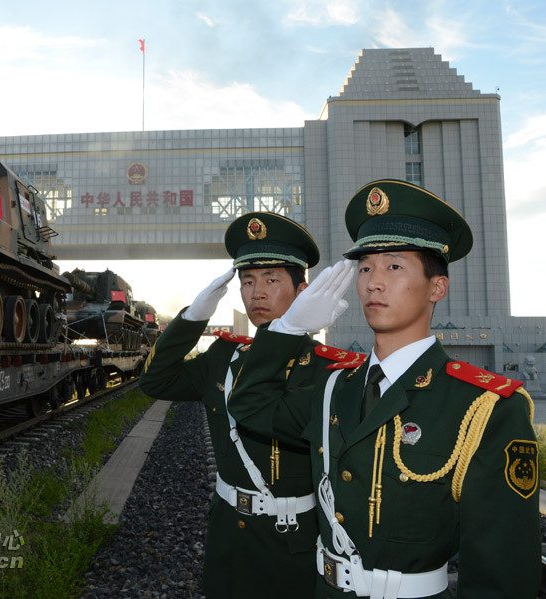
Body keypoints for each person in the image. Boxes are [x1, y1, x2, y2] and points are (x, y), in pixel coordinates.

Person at [228, 180, 540, 599]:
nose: (373, 283)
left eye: (393, 267)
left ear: (437, 287)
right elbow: (249, 405)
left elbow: (502, 571)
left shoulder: (483, 406)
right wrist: (287, 328)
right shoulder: (335, 388)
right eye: (365, 268)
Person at [138, 211, 362, 598]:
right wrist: (193, 318)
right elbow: (156, 380)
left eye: (271, 280)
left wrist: (287, 333)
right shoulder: (225, 357)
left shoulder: (327, 370)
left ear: (303, 291)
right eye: (247, 281)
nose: (256, 293)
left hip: (290, 542)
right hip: (226, 535)